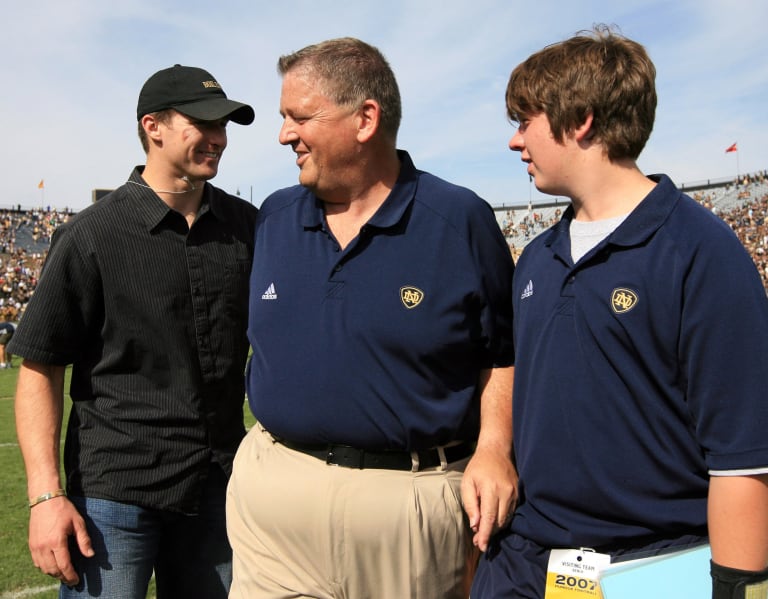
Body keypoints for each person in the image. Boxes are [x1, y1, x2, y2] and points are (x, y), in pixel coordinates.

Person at [471, 25, 768, 599]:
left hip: (654, 567)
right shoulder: (535, 257)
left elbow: (743, 459)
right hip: (526, 563)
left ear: (579, 119)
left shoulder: (700, 251)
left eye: (525, 121)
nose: (515, 141)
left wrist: (736, 587)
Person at [226, 37, 516, 599]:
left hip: (404, 503)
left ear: (365, 119)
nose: (284, 134)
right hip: (275, 496)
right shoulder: (275, 217)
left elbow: (502, 356)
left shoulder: (457, 219)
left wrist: (495, 448)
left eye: (299, 117)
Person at [10, 64, 257, 599]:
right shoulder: (89, 235)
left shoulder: (249, 227)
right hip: (114, 496)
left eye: (225, 126)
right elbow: (39, 365)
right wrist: (45, 497)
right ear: (154, 126)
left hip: (219, 486)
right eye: (204, 123)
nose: (218, 138)